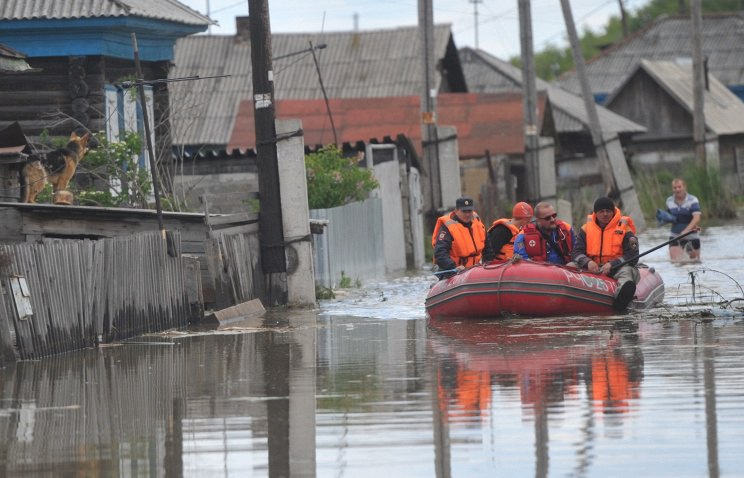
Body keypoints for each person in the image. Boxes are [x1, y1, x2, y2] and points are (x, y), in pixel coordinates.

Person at [571, 197, 640, 311]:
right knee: (571, 266)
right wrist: (587, 262)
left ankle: (621, 300)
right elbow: (576, 252)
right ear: (595, 213)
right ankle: (571, 297)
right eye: (601, 211)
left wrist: (612, 264)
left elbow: (632, 257)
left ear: (613, 212)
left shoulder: (625, 230)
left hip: (616, 268)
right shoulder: (585, 229)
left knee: (627, 272)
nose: (605, 214)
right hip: (592, 267)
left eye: (608, 211)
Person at [432, 197, 486, 278]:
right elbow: (440, 252)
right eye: (464, 211)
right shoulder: (448, 228)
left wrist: (488, 264)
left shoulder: (478, 224)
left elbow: (488, 247)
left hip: (474, 269)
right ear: (456, 211)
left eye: (469, 211)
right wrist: (453, 267)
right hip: (453, 270)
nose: (467, 214)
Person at [656, 178, 701, 261]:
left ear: (684, 187)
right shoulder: (669, 201)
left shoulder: (693, 200)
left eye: (679, 187)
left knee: (695, 262)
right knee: (675, 262)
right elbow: (670, 217)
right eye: (675, 187)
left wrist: (685, 231)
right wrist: (663, 219)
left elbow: (697, 218)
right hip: (675, 236)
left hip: (692, 236)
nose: (677, 189)